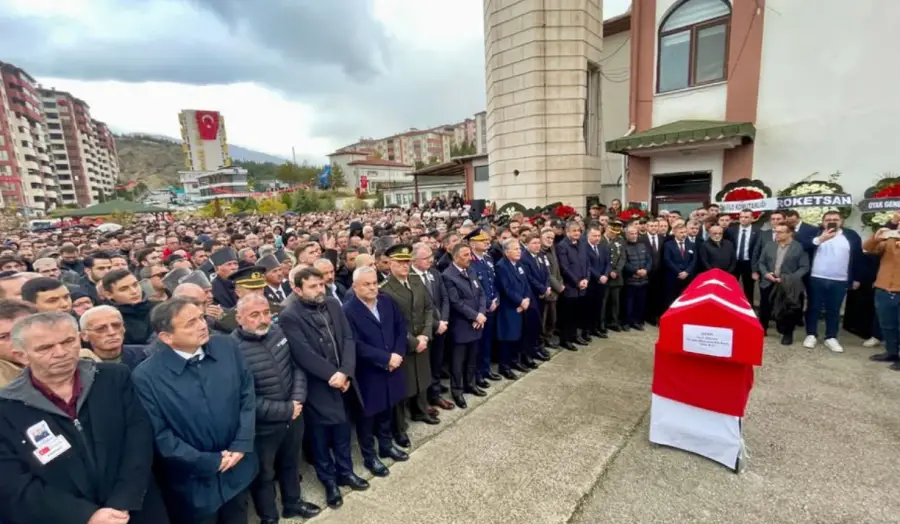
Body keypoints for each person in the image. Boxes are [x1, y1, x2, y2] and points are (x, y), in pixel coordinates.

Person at [0, 311, 169, 524]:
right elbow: (12, 481)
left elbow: (138, 441)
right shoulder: (6, 408)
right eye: (45, 348)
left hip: (135, 509)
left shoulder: (113, 378)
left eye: (68, 341)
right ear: (21, 356)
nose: (61, 352)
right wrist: (85, 515)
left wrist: (122, 502)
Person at [132, 298, 259, 524]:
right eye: (190, 323)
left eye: (201, 317)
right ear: (166, 337)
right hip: (193, 483)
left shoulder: (226, 346)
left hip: (238, 467)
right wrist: (210, 462)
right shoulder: (146, 377)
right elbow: (160, 435)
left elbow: (246, 394)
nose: (202, 325)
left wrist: (241, 443)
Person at [279, 267, 368, 509]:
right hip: (319, 386)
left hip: (344, 381)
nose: (320, 290)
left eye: (321, 285)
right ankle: (328, 481)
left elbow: (348, 338)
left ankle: (345, 471)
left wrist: (346, 371)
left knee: (342, 430)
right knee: (320, 437)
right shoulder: (290, 315)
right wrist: (333, 375)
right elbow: (302, 353)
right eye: (313, 286)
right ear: (297, 289)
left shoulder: (332, 304)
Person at [231, 294, 321, 523]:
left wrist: (297, 400)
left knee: (291, 463)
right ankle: (269, 516)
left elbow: (297, 367)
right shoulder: (232, 350)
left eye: (265, 313)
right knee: (264, 474)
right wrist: (285, 410)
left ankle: (293, 503)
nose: (263, 319)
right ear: (238, 318)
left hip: (294, 416)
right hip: (263, 428)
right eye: (254, 315)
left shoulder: (278, 332)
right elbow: (245, 398)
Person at [343, 266, 410, 477]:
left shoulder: (386, 301)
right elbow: (355, 344)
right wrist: (385, 358)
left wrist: (397, 354)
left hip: (393, 366)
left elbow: (400, 327)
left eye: (374, 283)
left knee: (387, 408)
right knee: (367, 417)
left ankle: (386, 444)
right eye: (366, 284)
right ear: (355, 287)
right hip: (369, 373)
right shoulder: (348, 311)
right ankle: (370, 456)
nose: (372, 287)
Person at [801, 211, 863, 353]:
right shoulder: (816, 233)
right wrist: (820, 239)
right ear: (823, 222)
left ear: (841, 222)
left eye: (835, 219)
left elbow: (858, 258)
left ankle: (831, 337)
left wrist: (856, 278)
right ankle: (811, 334)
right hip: (816, 277)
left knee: (834, 309)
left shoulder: (851, 235)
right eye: (828, 219)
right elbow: (802, 246)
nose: (831, 221)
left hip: (840, 279)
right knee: (813, 307)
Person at [442, 242, 488, 407]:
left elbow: (481, 293)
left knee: (471, 358)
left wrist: (481, 314)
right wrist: (475, 316)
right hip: (461, 326)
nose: (470, 258)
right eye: (465, 255)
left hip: (477, 323)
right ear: (456, 257)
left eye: (470, 254)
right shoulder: (448, 275)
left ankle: (470, 384)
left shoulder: (471, 270)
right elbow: (455, 302)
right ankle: (457, 391)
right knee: (457, 361)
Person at [408, 242, 453, 411]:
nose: (430, 261)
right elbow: (417, 309)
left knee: (436, 363)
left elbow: (445, 299)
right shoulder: (410, 278)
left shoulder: (434, 274)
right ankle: (421, 402)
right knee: (422, 368)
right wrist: (435, 325)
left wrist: (444, 321)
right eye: (425, 258)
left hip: (441, 327)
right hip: (423, 330)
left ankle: (435, 395)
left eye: (431, 257)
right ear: (413, 260)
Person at [757, 224, 810, 345]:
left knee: (788, 310)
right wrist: (766, 274)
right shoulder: (769, 245)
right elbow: (761, 263)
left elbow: (804, 267)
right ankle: (762, 329)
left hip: (788, 284)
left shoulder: (799, 247)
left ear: (790, 233)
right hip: (769, 281)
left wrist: (789, 279)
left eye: (780, 232)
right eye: (776, 231)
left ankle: (787, 334)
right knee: (765, 306)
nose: (777, 234)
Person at [495, 238, 534, 378]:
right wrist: (520, 301)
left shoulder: (519, 264)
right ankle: (504, 366)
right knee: (508, 337)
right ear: (506, 252)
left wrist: (527, 299)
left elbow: (526, 284)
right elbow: (506, 289)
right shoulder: (501, 267)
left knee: (519, 335)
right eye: (516, 249)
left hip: (522, 305)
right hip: (509, 307)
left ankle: (515, 360)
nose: (519, 251)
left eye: (519, 248)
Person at [467, 228, 501, 385]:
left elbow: (493, 282)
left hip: (492, 306)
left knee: (488, 341)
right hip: (480, 309)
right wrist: (487, 303)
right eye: (482, 240)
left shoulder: (488, 258)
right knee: (478, 344)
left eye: (487, 239)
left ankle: (486, 369)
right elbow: (476, 288)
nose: (487, 242)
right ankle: (477, 373)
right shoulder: (470, 262)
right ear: (473, 244)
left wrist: (496, 299)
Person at [863, 226, 900, 370]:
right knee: (887, 324)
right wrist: (877, 237)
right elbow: (867, 249)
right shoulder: (889, 239)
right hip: (883, 287)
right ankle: (891, 352)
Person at [79, 305, 149, 368]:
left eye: (116, 325)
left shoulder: (146, 354)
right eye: (101, 329)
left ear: (124, 328)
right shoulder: (79, 366)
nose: (112, 332)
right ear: (84, 336)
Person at [555, 221, 590, 348]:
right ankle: (566, 340)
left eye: (578, 231)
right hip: (571, 287)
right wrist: (577, 282)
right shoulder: (562, 246)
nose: (577, 233)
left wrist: (586, 278)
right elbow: (565, 268)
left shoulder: (582, 244)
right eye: (574, 230)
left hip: (583, 286)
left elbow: (587, 263)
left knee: (577, 314)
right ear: (567, 232)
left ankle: (575, 336)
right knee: (567, 315)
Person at [102, 269, 155, 345]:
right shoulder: (109, 319)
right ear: (109, 295)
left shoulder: (158, 308)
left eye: (135, 285)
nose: (134, 291)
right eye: (124, 289)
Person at [622, 224, 652, 331]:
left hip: (643, 279)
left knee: (640, 302)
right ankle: (626, 322)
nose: (634, 236)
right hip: (630, 280)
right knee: (628, 302)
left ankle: (637, 321)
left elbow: (649, 260)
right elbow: (624, 263)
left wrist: (646, 270)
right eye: (631, 234)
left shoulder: (642, 245)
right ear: (626, 235)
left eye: (635, 233)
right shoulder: (623, 246)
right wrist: (635, 271)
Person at [727, 209, 760, 302]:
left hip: (749, 264)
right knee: (731, 288)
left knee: (749, 289)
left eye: (746, 217)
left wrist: (756, 268)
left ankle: (749, 309)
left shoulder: (758, 231)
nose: (743, 219)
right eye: (741, 217)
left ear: (752, 218)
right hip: (734, 263)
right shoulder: (731, 231)